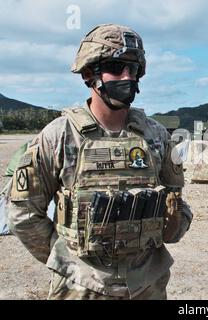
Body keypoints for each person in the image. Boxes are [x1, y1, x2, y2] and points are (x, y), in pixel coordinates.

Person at [6, 24, 192, 300]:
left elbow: (176, 203)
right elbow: (23, 213)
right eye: (116, 67)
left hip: (147, 285)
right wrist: (66, 260)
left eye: (134, 69)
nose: (127, 76)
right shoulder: (59, 135)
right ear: (88, 74)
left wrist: (172, 221)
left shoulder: (156, 136)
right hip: (81, 288)